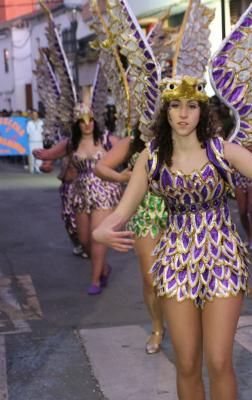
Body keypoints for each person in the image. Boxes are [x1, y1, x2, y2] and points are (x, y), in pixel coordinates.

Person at [93, 76, 252, 399]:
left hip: (222, 257)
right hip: (176, 261)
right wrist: (103, 229)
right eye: (176, 106)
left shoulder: (223, 151)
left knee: (219, 361)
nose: (183, 114)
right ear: (165, 112)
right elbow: (122, 211)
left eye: (192, 106)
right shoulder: (151, 158)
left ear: (202, 112)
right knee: (188, 363)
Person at [34, 103, 123, 295]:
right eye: (83, 121)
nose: (87, 124)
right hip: (81, 193)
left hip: (104, 190)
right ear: (77, 124)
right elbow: (49, 154)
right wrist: (41, 155)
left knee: (97, 235)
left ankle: (95, 281)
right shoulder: (70, 143)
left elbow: (127, 150)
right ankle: (104, 268)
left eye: (90, 119)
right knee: (83, 240)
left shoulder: (107, 139)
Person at [94, 129, 167, 353]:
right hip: (146, 214)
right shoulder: (135, 141)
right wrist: (122, 177)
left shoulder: (186, 135)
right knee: (150, 277)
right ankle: (157, 328)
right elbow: (101, 167)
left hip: (182, 214)